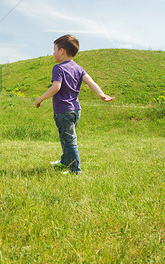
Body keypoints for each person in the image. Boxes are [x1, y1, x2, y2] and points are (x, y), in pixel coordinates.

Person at [35, 35, 114, 174]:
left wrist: (40, 98)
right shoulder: (78, 68)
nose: (53, 53)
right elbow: (90, 82)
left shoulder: (58, 68)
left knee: (70, 141)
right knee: (66, 138)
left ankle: (75, 171)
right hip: (76, 110)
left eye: (54, 50)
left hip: (63, 111)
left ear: (62, 51)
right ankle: (65, 161)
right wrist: (101, 94)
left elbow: (56, 87)